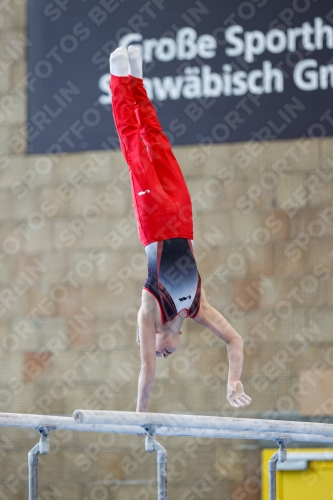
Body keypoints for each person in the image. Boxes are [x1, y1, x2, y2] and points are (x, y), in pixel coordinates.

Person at [109, 46, 252, 413]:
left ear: (155, 340)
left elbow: (147, 370)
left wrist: (141, 418)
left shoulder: (149, 313)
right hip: (183, 218)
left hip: (154, 223)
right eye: (168, 354)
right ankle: (137, 80)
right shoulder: (197, 309)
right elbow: (235, 340)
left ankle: (119, 80)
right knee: (157, 141)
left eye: (161, 353)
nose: (163, 355)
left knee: (134, 147)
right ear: (181, 338)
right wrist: (233, 379)